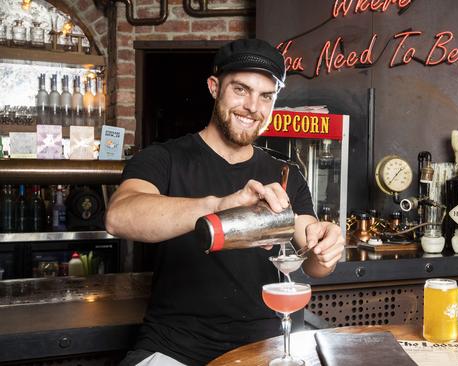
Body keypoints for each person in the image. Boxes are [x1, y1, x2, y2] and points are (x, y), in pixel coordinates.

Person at [105, 38, 345, 366]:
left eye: (266, 96)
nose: (252, 107)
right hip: (177, 347)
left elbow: (312, 256)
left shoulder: (285, 173)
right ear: (214, 87)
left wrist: (327, 248)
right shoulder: (164, 158)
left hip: (272, 348)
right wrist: (220, 206)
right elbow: (120, 216)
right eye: (241, 89)